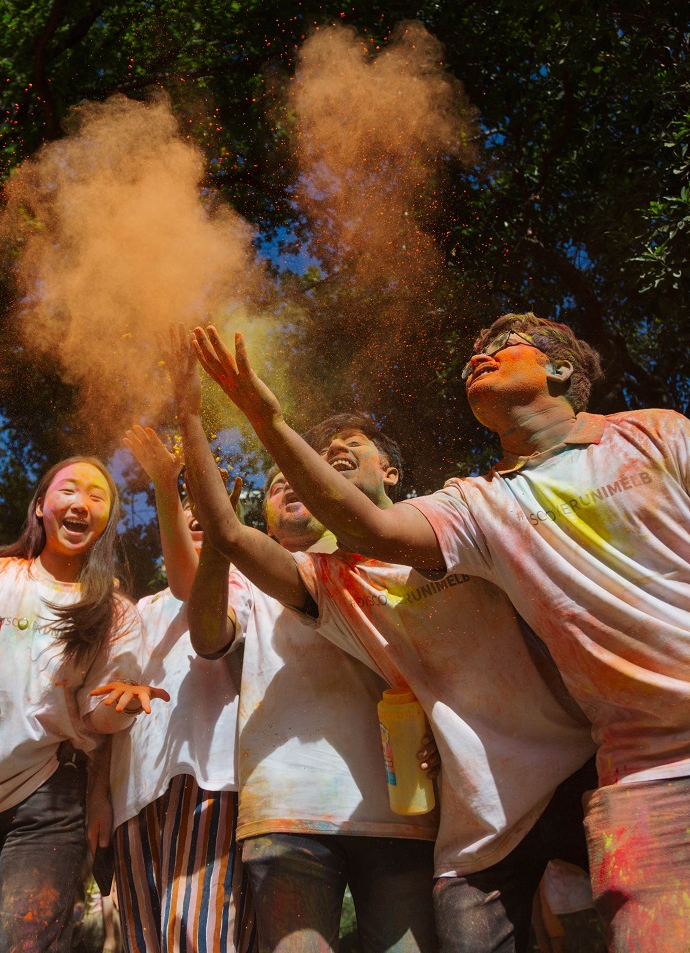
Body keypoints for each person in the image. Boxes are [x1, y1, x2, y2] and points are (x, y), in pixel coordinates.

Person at [190, 318, 690, 953]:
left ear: (561, 369)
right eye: (472, 353)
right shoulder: (476, 506)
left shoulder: (655, 433)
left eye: (501, 345)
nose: (476, 355)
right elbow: (367, 528)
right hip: (651, 783)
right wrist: (263, 420)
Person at [171, 319, 596, 953]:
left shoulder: (464, 520)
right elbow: (228, 535)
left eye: (352, 445)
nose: (334, 453)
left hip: (579, 775)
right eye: (320, 454)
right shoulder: (328, 583)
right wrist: (190, 410)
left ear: (392, 472)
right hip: (475, 820)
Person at [168, 332, 441, 953]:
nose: (290, 484)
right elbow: (209, 633)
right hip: (288, 807)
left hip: (403, 810)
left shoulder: (406, 560)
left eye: (297, 474)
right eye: (274, 484)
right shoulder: (259, 579)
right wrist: (190, 418)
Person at [0, 456, 168, 953]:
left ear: (106, 522)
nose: (81, 504)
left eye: (97, 497)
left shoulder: (115, 613)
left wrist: (124, 705)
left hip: (52, 796)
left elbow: (97, 719)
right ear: (40, 506)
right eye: (69, 490)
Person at [99, 425, 253, 953]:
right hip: (135, 793)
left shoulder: (244, 586)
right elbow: (106, 701)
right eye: (191, 513)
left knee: (197, 936)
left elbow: (194, 590)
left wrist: (167, 486)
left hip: (211, 779)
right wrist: (100, 794)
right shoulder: (139, 610)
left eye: (213, 515)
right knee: (141, 941)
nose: (199, 520)